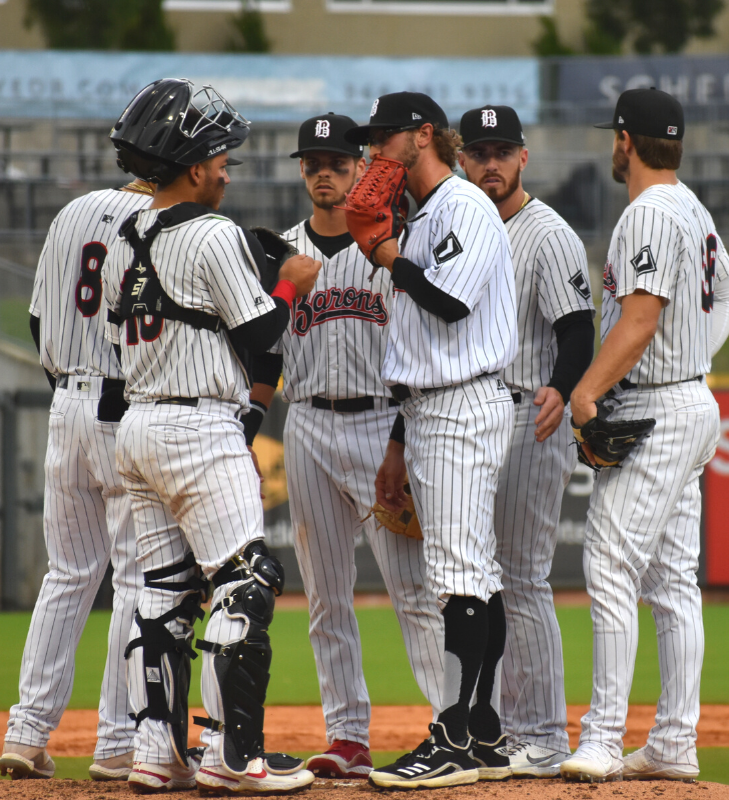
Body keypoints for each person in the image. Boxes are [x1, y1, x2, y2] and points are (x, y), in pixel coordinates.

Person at [101, 78, 321, 795]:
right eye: (221, 156)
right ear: (193, 165)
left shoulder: (126, 235)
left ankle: (153, 752)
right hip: (199, 427)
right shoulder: (214, 232)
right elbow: (263, 334)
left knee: (162, 593)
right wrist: (291, 280)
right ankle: (235, 755)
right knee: (245, 579)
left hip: (138, 425)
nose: (227, 168)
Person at [244, 113, 446, 779]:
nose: (323, 171)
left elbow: (420, 351)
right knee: (324, 596)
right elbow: (263, 347)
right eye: (312, 162)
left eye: (335, 160)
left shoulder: (389, 246)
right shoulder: (280, 253)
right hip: (305, 426)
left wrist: (401, 439)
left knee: (413, 590)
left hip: (380, 423)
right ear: (301, 171)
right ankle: (347, 736)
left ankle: (454, 726)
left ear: (361, 168)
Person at [559, 87, 729, 784]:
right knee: (671, 581)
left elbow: (637, 321)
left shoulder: (648, 213)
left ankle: (604, 737)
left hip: (658, 408)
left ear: (626, 142)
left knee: (608, 563)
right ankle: (673, 742)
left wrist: (585, 392)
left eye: (616, 136)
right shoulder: (692, 208)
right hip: (690, 401)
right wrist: (698, 361)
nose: (614, 146)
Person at [344, 91, 517, 790]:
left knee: (457, 577)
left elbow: (450, 301)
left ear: (424, 135)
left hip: (461, 404)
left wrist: (387, 253)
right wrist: (394, 438)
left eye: (386, 138)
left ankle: (449, 735)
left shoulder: (463, 205)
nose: (376, 152)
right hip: (429, 407)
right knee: (475, 571)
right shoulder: (424, 217)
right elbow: (414, 343)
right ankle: (482, 733)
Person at [0, 169, 153, 783]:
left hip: (65, 403)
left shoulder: (72, 211)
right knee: (136, 576)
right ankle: (116, 740)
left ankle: (26, 732)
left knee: (67, 575)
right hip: (125, 405)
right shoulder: (157, 220)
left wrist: (71, 393)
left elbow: (39, 320)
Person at [455, 105, 595, 779]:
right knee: (482, 581)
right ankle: (502, 726)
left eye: (501, 150)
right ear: (459, 157)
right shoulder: (459, 223)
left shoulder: (548, 233)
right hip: (467, 413)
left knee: (523, 579)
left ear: (523, 158)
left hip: (525, 410)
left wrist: (562, 389)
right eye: (479, 151)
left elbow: (577, 329)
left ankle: (541, 733)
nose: (491, 162)